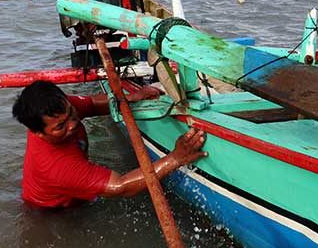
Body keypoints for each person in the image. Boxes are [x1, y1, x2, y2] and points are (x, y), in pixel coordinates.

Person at [12, 80, 206, 208]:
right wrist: (175, 158)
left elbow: (92, 104)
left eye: (71, 113)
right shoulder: (56, 166)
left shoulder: (58, 109)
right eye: (61, 126)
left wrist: (129, 98)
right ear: (38, 132)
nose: (72, 124)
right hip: (53, 210)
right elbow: (121, 186)